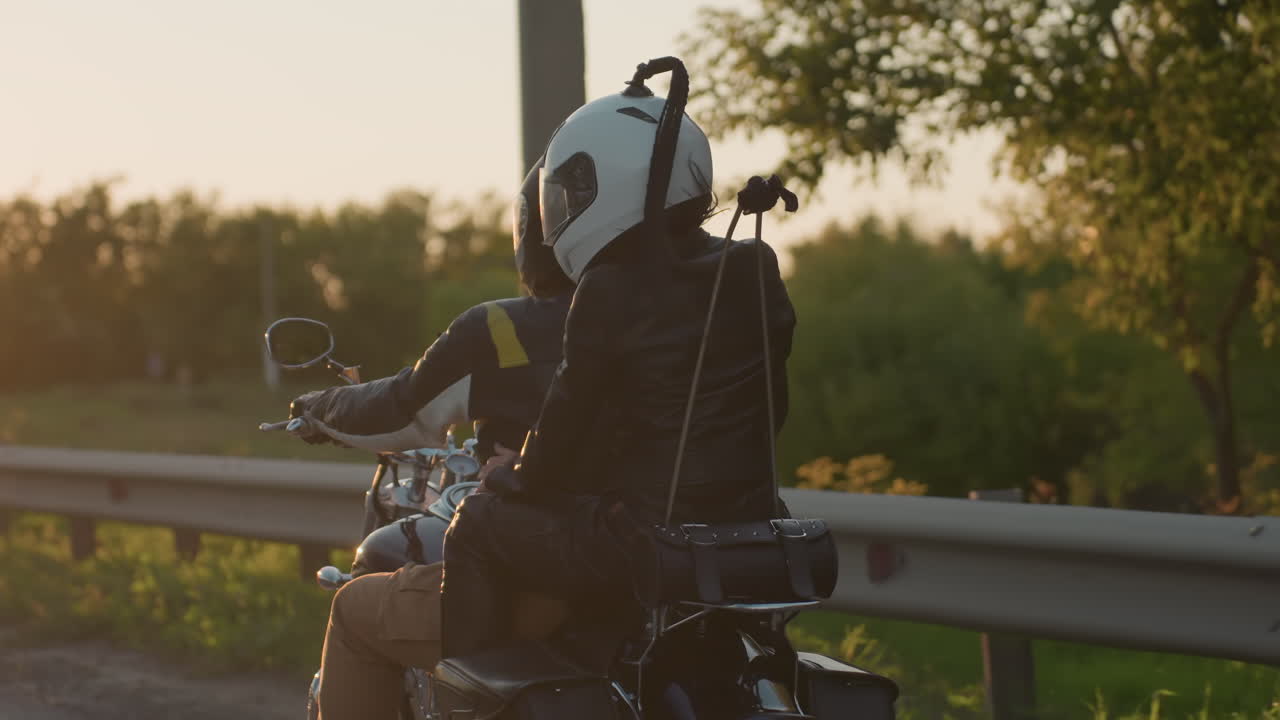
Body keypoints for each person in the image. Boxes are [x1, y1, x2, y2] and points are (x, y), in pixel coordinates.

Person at [440, 67, 796, 660]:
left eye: (573, 187)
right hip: (750, 527)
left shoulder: (608, 286)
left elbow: (563, 430)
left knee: (475, 523)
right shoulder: (753, 263)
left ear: (604, 181)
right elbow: (769, 410)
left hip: (644, 539)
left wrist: (510, 473)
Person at [290, 159, 573, 720]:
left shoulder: (507, 329)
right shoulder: (702, 323)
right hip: (677, 571)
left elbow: (401, 410)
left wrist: (317, 409)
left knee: (354, 611)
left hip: (554, 578)